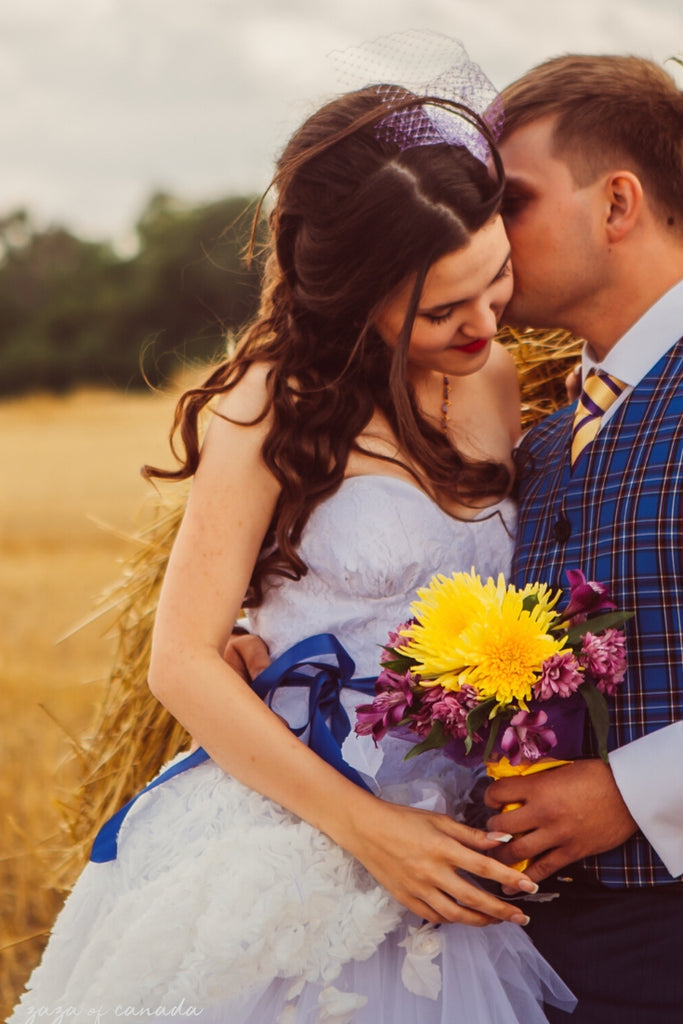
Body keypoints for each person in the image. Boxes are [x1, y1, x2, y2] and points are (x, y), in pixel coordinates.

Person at [9, 67, 574, 1024]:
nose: (485, 325)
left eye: (495, 280)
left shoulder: (497, 381)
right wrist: (372, 832)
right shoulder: (274, 400)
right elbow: (181, 662)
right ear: (358, 303)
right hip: (299, 830)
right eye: (442, 312)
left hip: (455, 839)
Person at [481, 55, 683, 1023]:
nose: (481, 235)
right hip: (531, 957)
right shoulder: (540, 437)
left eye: (507, 200)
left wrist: (625, 791)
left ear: (615, 204)